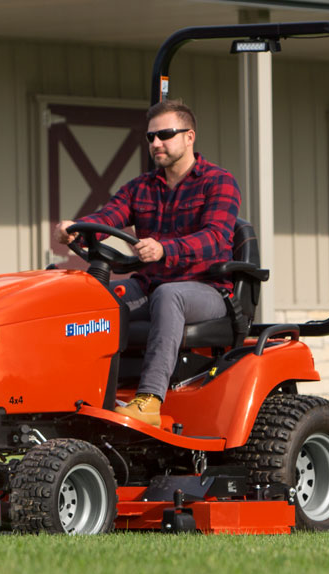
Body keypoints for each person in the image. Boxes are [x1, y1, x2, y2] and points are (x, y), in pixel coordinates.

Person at [56, 100, 241, 427]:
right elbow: (107, 217)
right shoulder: (140, 188)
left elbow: (215, 237)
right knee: (90, 298)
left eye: (165, 135)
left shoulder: (218, 182)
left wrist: (165, 249)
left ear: (189, 137)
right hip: (150, 285)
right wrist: (77, 229)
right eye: (151, 137)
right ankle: (83, 391)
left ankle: (149, 401)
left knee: (170, 295)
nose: (156, 143)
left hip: (207, 290)